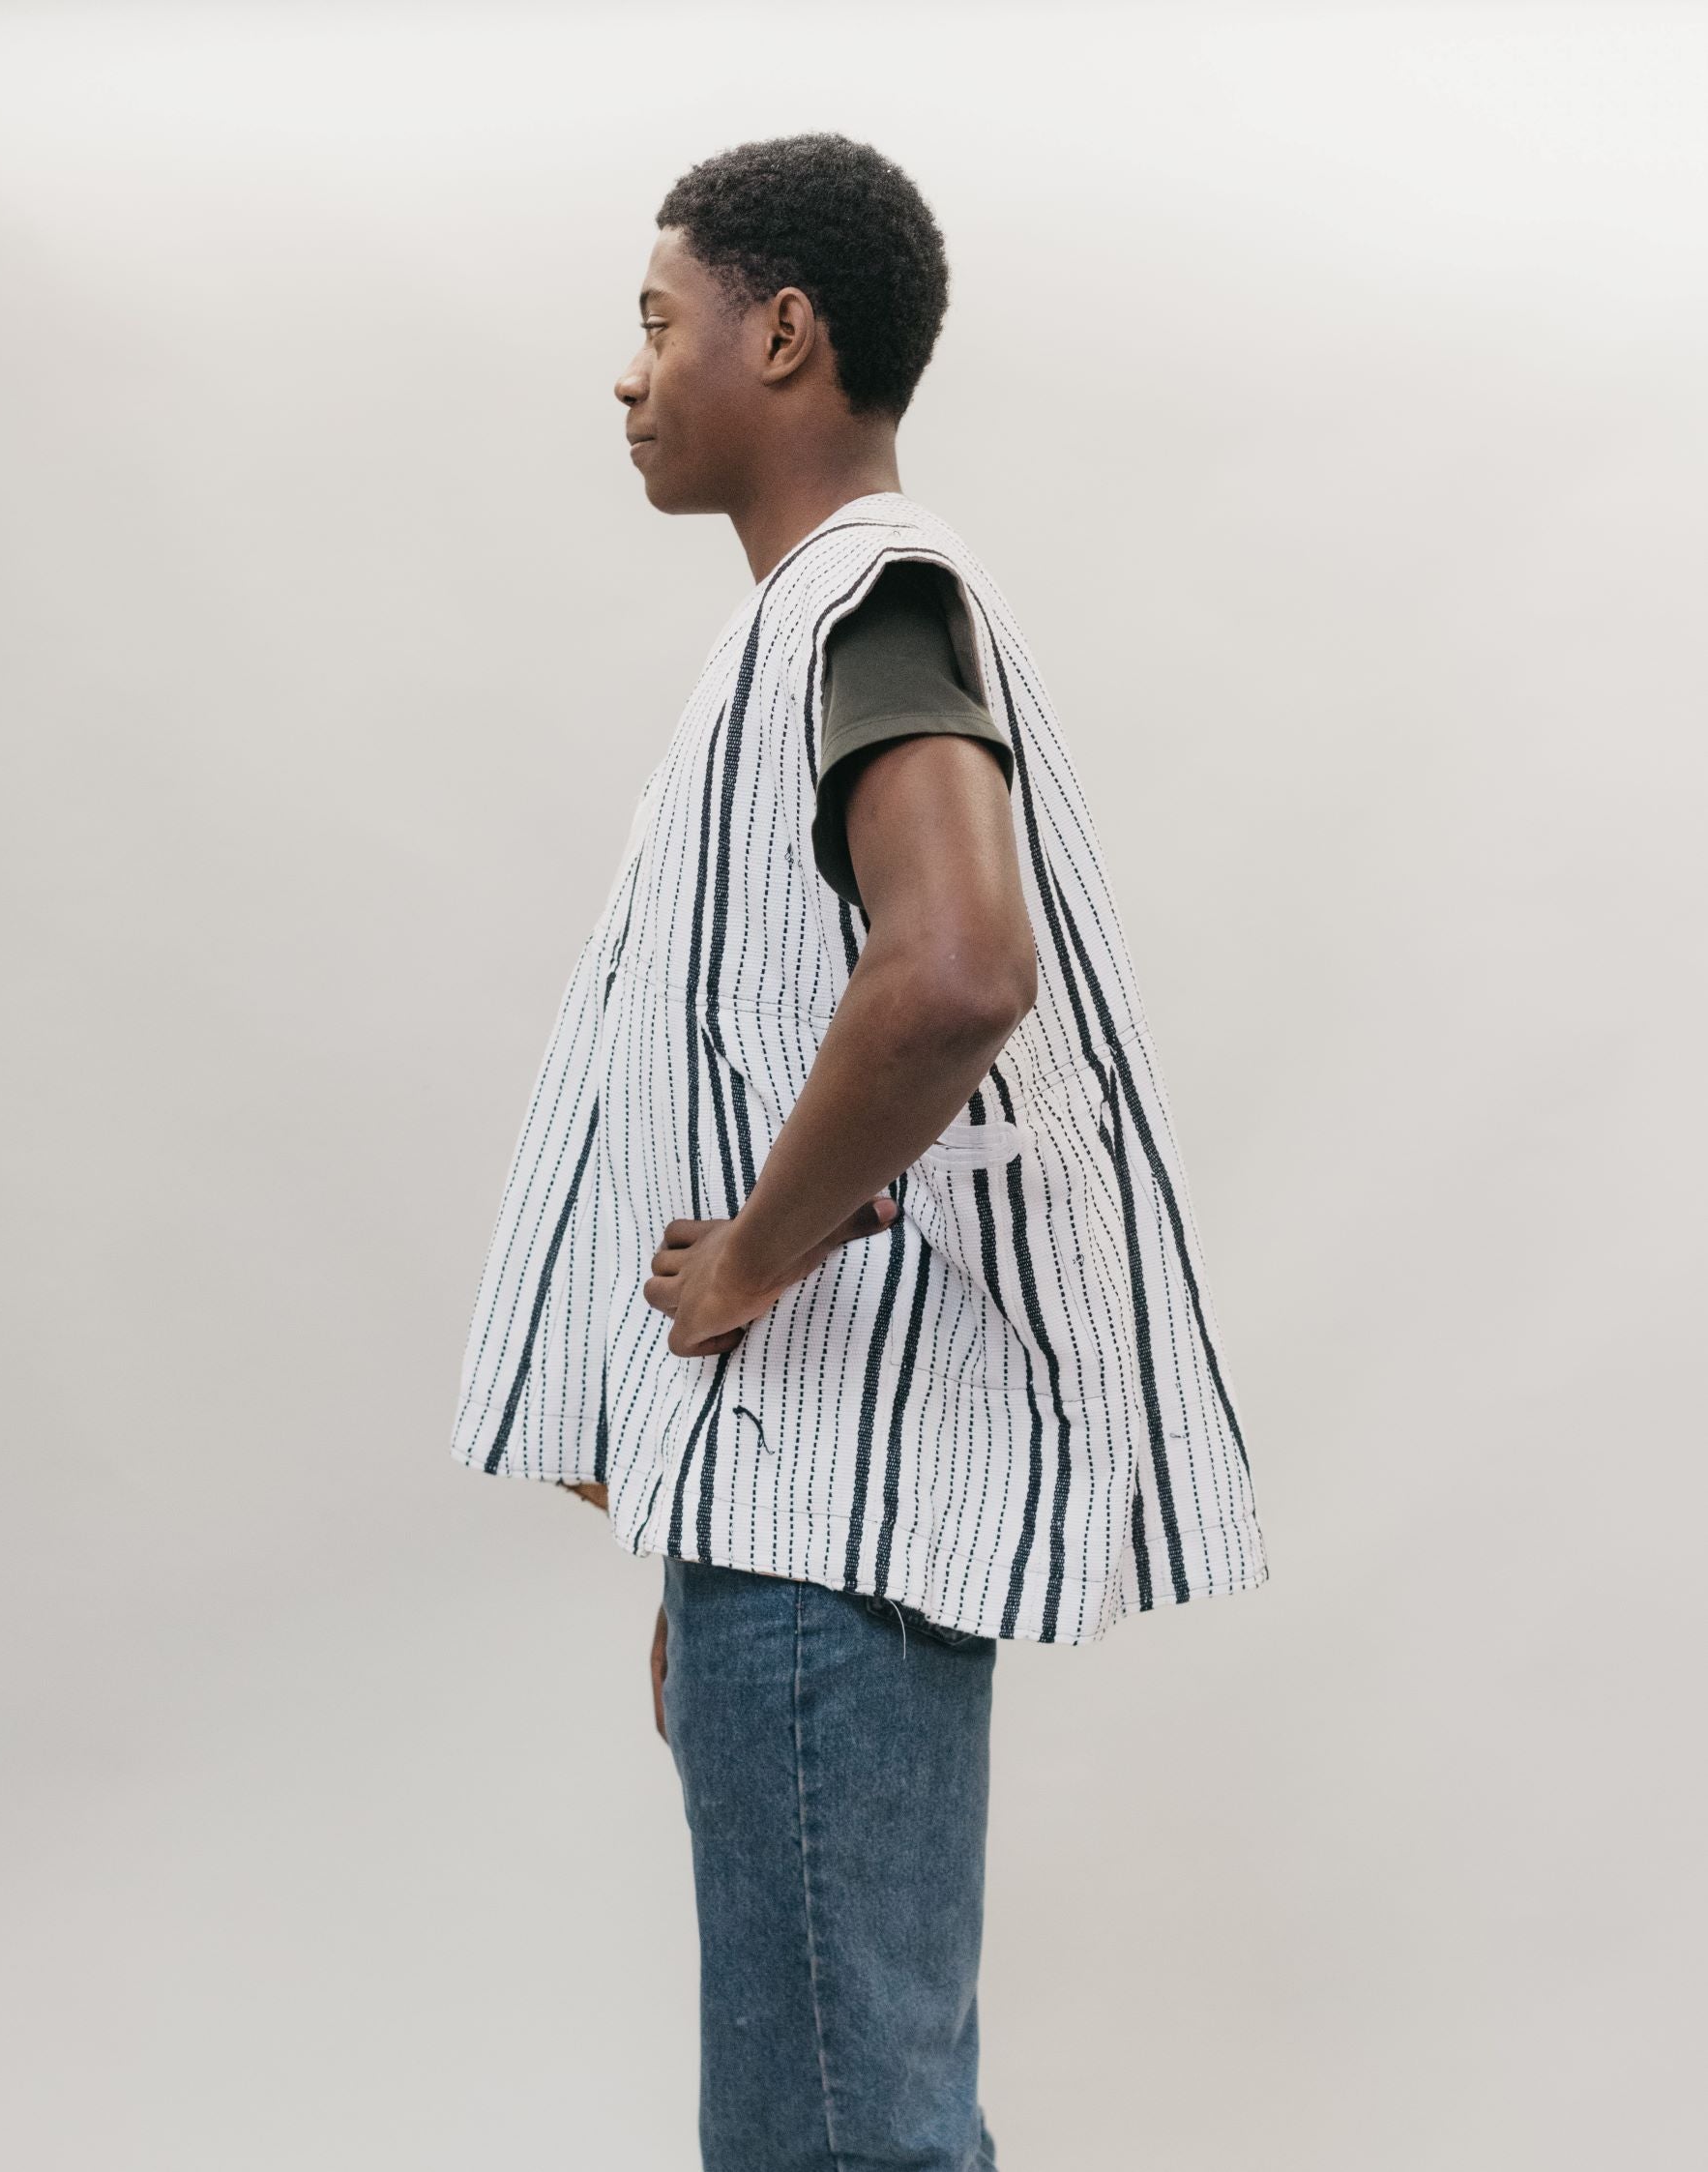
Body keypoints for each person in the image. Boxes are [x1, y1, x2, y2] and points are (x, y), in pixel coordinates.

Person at [450, 131, 1270, 2172]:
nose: (627, 377)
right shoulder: (821, 629)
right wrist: (702, 1517)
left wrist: (740, 1262)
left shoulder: (868, 596)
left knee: (841, 2139)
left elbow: (953, 967)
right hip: (788, 1527)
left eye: (658, 324)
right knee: (853, 2116)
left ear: (785, 333)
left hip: (825, 1537)